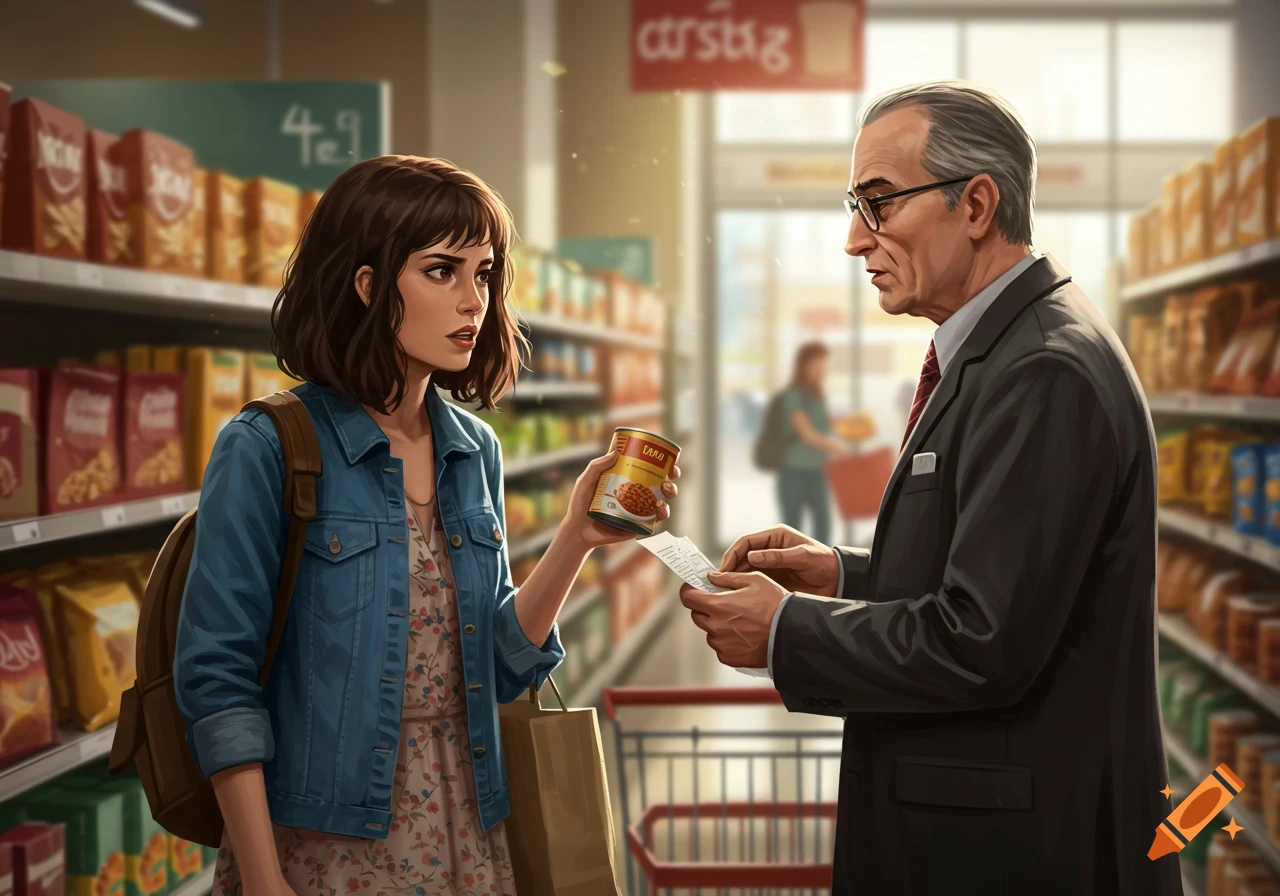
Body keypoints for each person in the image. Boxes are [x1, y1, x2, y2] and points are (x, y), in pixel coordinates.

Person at [679, 82, 1178, 896]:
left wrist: (786, 634)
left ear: (975, 203)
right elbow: (1004, 577)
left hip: (1013, 852)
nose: (853, 240)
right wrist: (842, 576)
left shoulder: (1044, 370)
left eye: (878, 204)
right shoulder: (1006, 349)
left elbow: (982, 640)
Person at [174, 155, 679, 896]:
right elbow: (218, 683)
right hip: (327, 843)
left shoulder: (474, 449)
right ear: (369, 284)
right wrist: (262, 877)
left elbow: (499, 665)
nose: (473, 301)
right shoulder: (269, 448)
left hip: (471, 824)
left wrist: (575, 536)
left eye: (484, 273)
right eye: (442, 271)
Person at [772, 342, 846, 544]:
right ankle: (789, 572)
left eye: (824, 367)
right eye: (816, 366)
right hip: (793, 471)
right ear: (803, 366)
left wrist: (846, 423)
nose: (821, 372)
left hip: (818, 470)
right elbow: (806, 433)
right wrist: (836, 447)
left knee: (823, 523)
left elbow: (821, 424)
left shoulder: (816, 396)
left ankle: (819, 571)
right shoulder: (794, 395)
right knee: (792, 527)